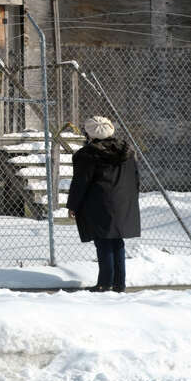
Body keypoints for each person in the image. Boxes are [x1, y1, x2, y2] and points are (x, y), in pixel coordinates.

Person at [67, 115, 140, 293]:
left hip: (99, 202)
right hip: (123, 201)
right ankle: (119, 284)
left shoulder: (87, 154)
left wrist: (73, 205)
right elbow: (136, 178)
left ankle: (105, 283)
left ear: (90, 133)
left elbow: (80, 182)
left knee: (103, 242)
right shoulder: (127, 151)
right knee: (117, 241)